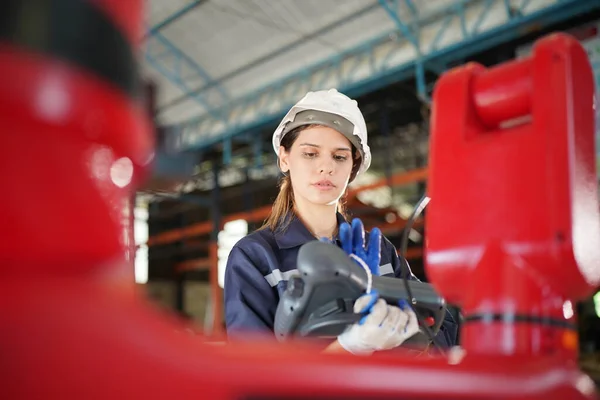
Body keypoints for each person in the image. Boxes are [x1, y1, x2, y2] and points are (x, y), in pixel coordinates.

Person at [223, 89, 458, 355]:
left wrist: (411, 338)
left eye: (339, 156)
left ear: (353, 167)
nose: (326, 167)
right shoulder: (255, 257)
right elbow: (256, 373)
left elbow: (442, 328)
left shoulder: (379, 252)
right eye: (310, 154)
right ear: (284, 158)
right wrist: (351, 346)